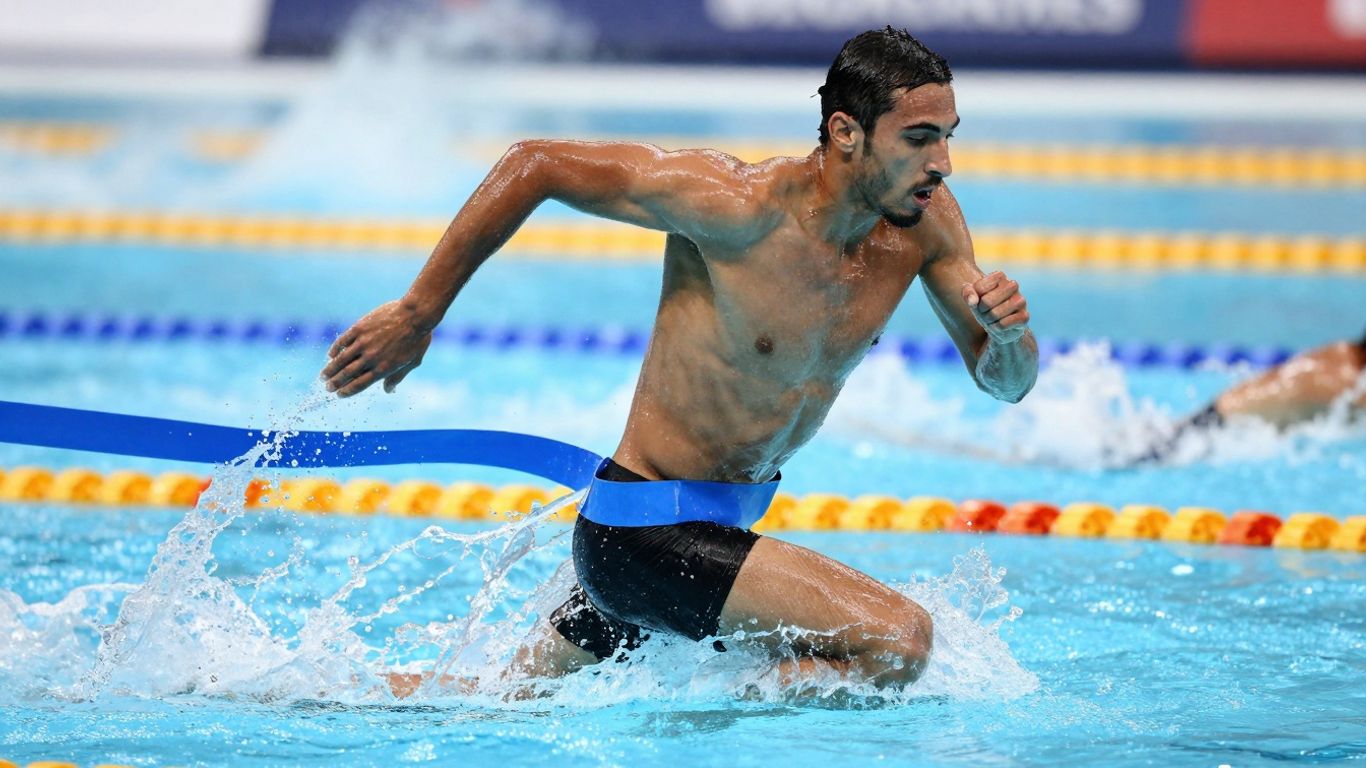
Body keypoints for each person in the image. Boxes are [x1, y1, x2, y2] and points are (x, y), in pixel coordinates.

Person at [321, 27, 1037, 695]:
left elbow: (1006, 385)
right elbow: (535, 163)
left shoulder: (925, 224)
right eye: (918, 139)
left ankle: (287, 691)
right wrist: (420, 311)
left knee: (485, 702)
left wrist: (1006, 339)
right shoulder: (737, 207)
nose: (941, 163)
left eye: (946, 138)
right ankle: (724, 703)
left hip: (710, 545)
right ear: (847, 133)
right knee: (900, 643)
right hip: (641, 538)